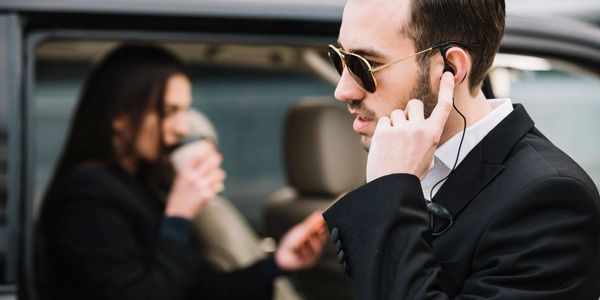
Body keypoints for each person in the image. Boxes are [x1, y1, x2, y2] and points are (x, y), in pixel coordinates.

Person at [321, 0, 600, 299]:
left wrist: (387, 193)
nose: (342, 90)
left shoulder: (551, 202)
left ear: (450, 69)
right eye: (340, 59)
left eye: (365, 65)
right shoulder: (401, 165)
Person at [39, 44, 328, 300]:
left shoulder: (138, 185)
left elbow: (193, 289)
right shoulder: (88, 197)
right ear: (120, 118)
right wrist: (179, 215)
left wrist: (278, 263)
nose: (182, 127)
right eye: (169, 111)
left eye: (184, 111)